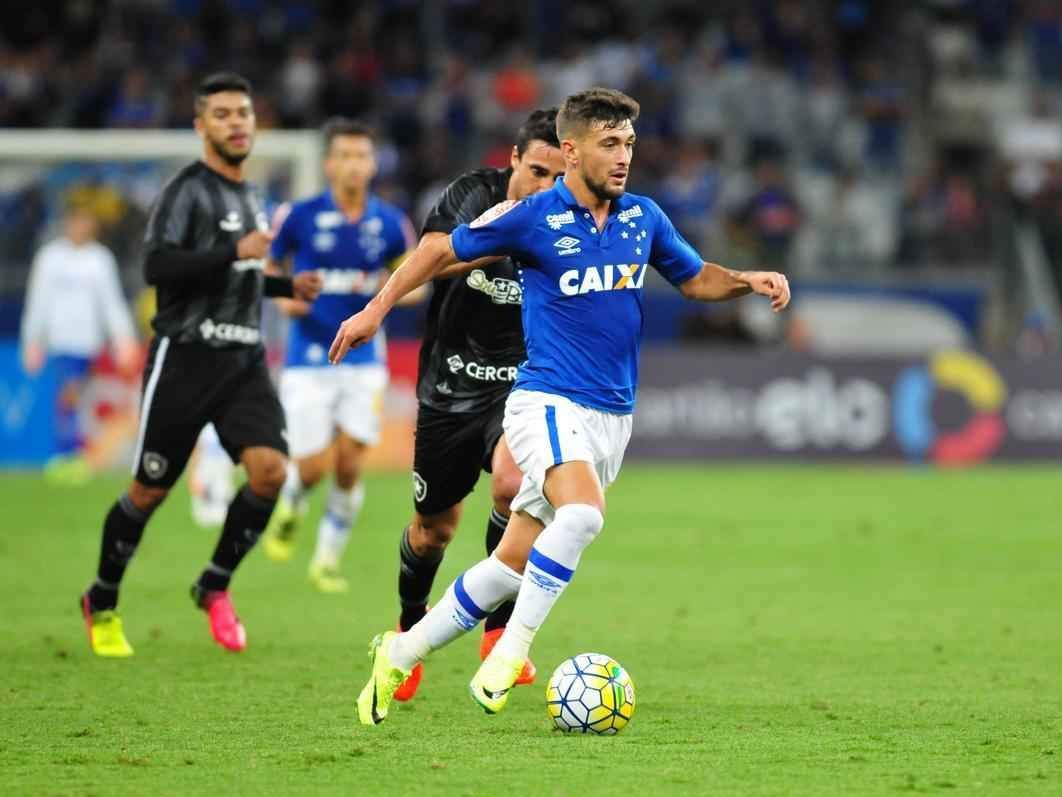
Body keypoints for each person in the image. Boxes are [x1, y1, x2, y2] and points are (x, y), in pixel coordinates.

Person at [330, 87, 790, 725]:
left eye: (629, 143)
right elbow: (438, 250)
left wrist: (745, 280)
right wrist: (374, 310)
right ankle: (510, 651)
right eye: (609, 143)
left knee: (509, 565)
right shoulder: (533, 217)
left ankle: (399, 652)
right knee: (583, 515)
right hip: (545, 399)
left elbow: (693, 278)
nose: (623, 156)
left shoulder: (643, 217)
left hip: (611, 417)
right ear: (571, 152)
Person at [78, 72, 321, 658]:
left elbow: (240, 275)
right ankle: (101, 599)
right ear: (201, 126)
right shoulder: (186, 191)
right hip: (185, 359)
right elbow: (158, 267)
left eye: (243, 113)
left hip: (243, 360)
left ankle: (213, 585)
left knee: (270, 473)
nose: (236, 123)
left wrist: (286, 285)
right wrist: (235, 251)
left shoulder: (251, 196)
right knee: (148, 491)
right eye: (222, 114)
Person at [391, 106, 565, 702]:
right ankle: (409, 624)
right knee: (432, 532)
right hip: (451, 386)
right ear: (513, 159)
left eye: (558, 177)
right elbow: (433, 253)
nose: (546, 187)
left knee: (515, 487)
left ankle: (498, 634)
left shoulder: (569, 216)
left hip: (521, 385)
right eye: (537, 171)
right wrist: (500, 237)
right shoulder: (472, 194)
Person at [256, 118, 417, 594]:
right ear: (329, 164)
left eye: (361, 156)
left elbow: (413, 280)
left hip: (364, 361)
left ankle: (326, 561)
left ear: (373, 164)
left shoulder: (389, 222)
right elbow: (268, 264)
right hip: (309, 358)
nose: (353, 165)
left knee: (349, 464)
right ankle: (292, 502)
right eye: (344, 155)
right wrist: (285, 295)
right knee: (310, 467)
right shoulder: (300, 216)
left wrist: (388, 292)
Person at [20, 200, 139, 484]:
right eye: (76, 221)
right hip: (61, 340)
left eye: (86, 222)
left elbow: (111, 303)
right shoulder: (50, 258)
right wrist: (32, 341)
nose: (80, 227)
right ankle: (68, 455)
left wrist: (123, 340)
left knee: (78, 400)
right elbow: (38, 301)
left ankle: (74, 453)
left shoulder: (100, 259)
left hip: (89, 342)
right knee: (69, 395)